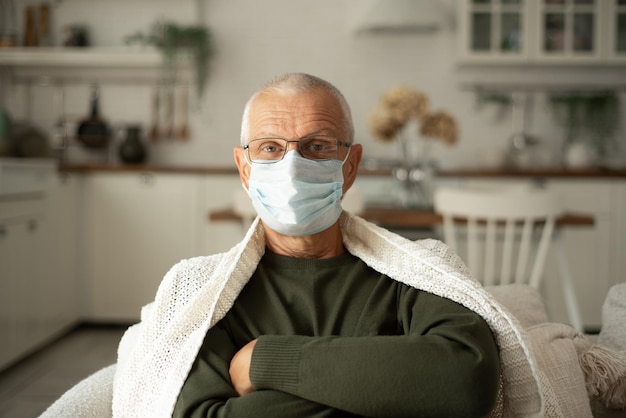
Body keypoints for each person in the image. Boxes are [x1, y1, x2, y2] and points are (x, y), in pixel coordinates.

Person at [112, 73, 544, 417]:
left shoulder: (415, 273)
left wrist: (266, 360)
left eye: (317, 146)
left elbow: (466, 378)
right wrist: (390, 397)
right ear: (245, 169)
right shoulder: (204, 296)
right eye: (269, 148)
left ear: (350, 166)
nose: (292, 166)